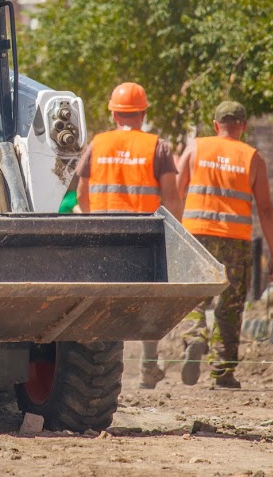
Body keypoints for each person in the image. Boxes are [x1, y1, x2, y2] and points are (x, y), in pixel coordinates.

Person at [76, 82, 183, 389]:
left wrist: (93, 218)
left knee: (104, 299)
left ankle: (98, 367)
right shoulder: (157, 146)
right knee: (149, 299)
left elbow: (82, 191)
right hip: (144, 233)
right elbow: (171, 196)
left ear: (113, 114)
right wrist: (173, 229)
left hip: (103, 232)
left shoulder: (97, 144)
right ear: (143, 113)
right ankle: (148, 368)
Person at [176, 101, 273, 389]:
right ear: (243, 126)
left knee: (193, 294)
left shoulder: (196, 148)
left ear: (215, 124)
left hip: (196, 234)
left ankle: (195, 338)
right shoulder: (253, 157)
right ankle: (223, 372)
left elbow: (177, 188)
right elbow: (266, 209)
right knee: (231, 304)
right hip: (235, 238)